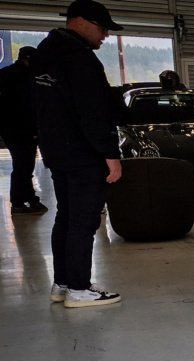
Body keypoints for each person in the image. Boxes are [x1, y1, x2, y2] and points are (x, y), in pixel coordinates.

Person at [32, 0, 124, 307]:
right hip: (84, 154)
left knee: (67, 218)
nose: (105, 35)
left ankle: (62, 284)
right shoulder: (79, 58)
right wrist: (109, 153)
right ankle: (79, 290)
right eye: (103, 28)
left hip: (57, 151)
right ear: (81, 22)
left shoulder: (45, 53)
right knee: (84, 222)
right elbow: (91, 111)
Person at [0, 46, 47, 216]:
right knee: (23, 167)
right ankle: (18, 203)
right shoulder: (26, 78)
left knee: (23, 165)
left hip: (8, 129)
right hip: (23, 129)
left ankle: (31, 199)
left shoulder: (5, 73)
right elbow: (28, 106)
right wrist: (34, 129)